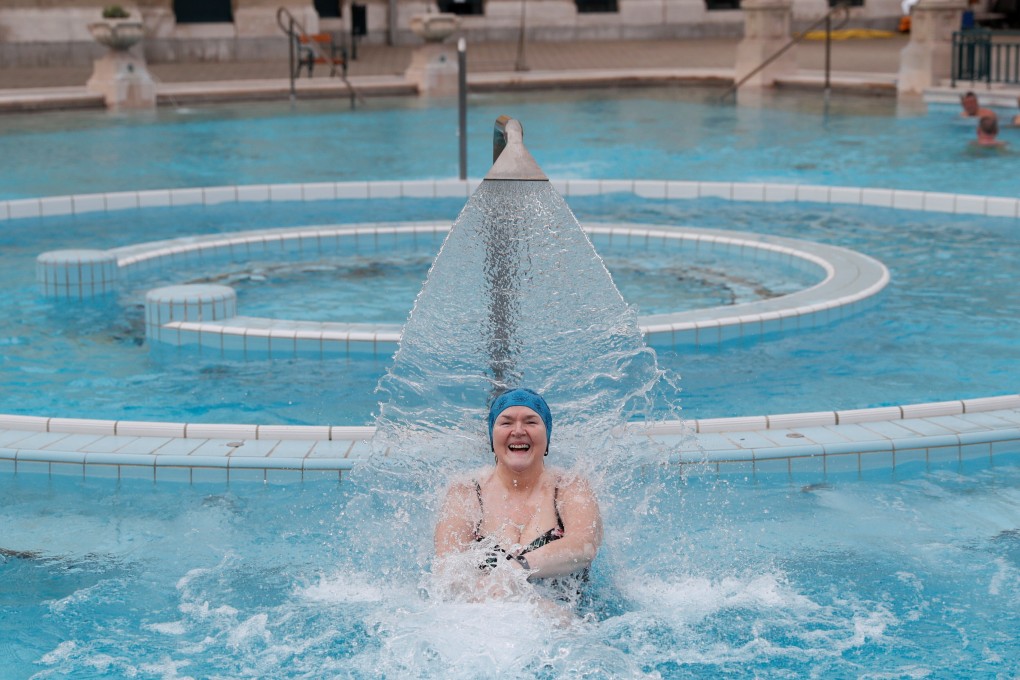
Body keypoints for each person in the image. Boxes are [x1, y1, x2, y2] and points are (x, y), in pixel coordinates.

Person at [433, 388, 602, 601]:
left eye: (531, 422)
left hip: (563, 623)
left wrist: (517, 569)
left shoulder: (569, 486)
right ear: (492, 437)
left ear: (547, 435)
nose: (518, 430)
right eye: (506, 422)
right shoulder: (466, 492)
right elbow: (447, 571)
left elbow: (584, 547)